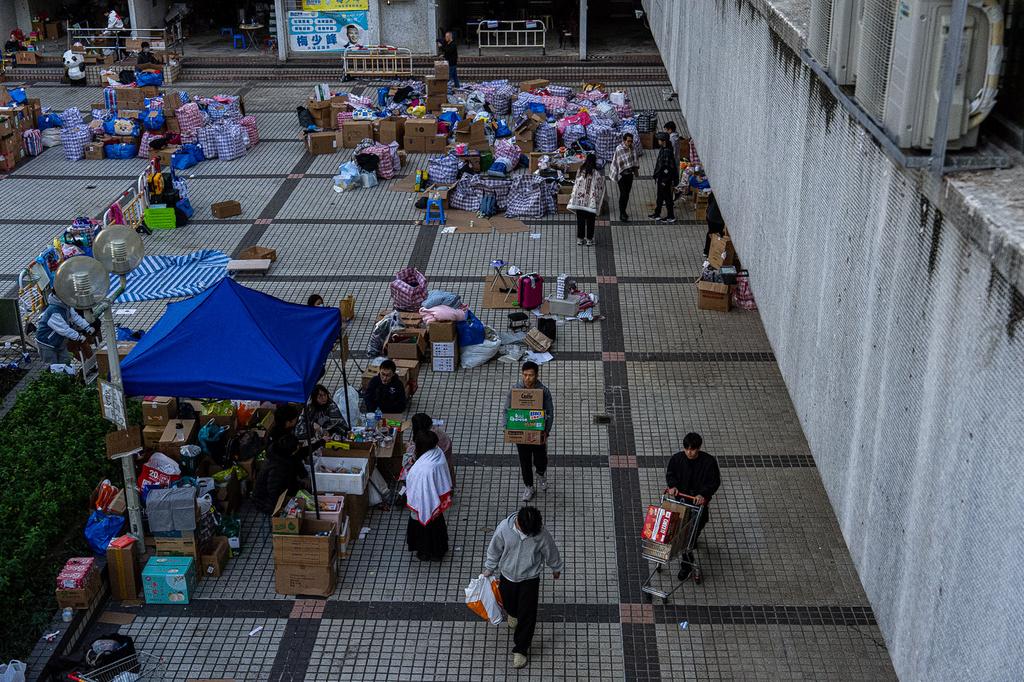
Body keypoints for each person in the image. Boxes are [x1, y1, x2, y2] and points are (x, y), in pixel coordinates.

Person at [483, 506, 563, 670]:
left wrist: (556, 568)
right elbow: (495, 549)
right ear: (518, 522)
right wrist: (489, 568)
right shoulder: (504, 528)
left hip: (530, 579)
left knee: (527, 614)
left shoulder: (540, 533)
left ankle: (521, 649)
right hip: (507, 576)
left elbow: (551, 551)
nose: (528, 535)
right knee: (509, 604)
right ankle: (513, 614)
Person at [665, 432, 721, 581]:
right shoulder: (677, 459)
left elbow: (714, 482)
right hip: (681, 503)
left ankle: (690, 545)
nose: (689, 452)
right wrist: (673, 486)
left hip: (698, 505)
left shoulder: (708, 462)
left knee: (696, 527)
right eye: (687, 449)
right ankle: (686, 565)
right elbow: (670, 474)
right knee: (685, 536)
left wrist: (703, 494)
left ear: (699, 448)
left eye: (693, 449)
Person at [252, 405, 323, 514]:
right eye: (295, 418)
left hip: (284, 484)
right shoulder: (277, 467)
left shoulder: (283, 446)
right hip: (267, 502)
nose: (297, 420)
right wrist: (281, 510)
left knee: (307, 490)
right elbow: (273, 492)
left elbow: (296, 458)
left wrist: (303, 477)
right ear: (288, 421)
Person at [503, 361, 554, 501]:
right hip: (521, 434)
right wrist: (506, 427)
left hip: (538, 434)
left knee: (541, 459)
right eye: (525, 375)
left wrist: (546, 431)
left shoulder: (543, 392)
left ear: (536, 375)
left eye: (530, 375)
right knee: (524, 461)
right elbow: (507, 411)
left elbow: (549, 412)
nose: (527, 378)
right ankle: (529, 486)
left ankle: (541, 473)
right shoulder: (515, 390)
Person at [405, 430, 453, 562]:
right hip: (436, 498)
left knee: (423, 527)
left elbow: (417, 484)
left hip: (424, 500)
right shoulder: (437, 453)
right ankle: (438, 550)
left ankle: (426, 551)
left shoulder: (424, 468)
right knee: (436, 525)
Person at [35, 293, 93, 365]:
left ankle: (67, 374)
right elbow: (63, 329)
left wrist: (87, 327)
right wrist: (78, 337)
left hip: (59, 342)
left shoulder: (66, 305)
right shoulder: (54, 311)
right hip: (46, 343)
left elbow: (75, 317)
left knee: (65, 361)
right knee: (53, 366)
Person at [404, 413, 455, 485]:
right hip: (444, 457)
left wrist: (409, 448)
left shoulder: (426, 437)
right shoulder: (434, 431)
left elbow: (418, 453)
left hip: (436, 464)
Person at [566, 153, 604, 246]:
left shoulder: (580, 170)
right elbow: (600, 188)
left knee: (580, 221)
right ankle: (589, 240)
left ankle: (580, 239)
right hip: (591, 203)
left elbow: (576, 183)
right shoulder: (596, 174)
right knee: (591, 221)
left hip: (579, 202)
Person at [608, 132, 640, 222]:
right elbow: (618, 162)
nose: (630, 143)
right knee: (623, 194)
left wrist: (635, 169)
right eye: (628, 141)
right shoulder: (619, 149)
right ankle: (622, 213)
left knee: (627, 194)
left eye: (631, 141)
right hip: (621, 175)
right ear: (624, 141)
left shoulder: (633, 148)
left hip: (629, 175)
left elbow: (634, 160)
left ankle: (624, 210)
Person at [648, 133, 678, 224]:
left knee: (667, 198)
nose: (658, 141)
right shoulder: (663, 149)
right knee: (660, 197)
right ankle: (657, 214)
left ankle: (671, 216)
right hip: (661, 178)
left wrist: (664, 181)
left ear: (663, 141)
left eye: (659, 140)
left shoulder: (667, 152)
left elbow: (668, 169)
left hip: (664, 179)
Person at [704, 191, 726, 259]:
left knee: (710, 233)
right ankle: (711, 254)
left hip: (710, 216)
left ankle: (706, 251)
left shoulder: (716, 191)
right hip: (717, 219)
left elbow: (709, 199)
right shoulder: (724, 196)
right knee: (718, 235)